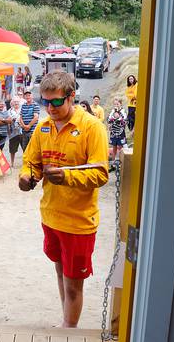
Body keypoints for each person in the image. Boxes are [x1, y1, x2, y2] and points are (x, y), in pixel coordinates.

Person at [18, 70, 108, 328]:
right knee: (60, 274)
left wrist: (66, 177)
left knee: (73, 285)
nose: (50, 108)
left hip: (78, 223)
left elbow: (101, 173)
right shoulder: (43, 126)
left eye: (56, 101)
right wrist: (27, 178)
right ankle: (67, 323)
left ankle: (69, 330)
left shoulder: (92, 127)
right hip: (51, 216)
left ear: (71, 97)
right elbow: (31, 162)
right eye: (45, 102)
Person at [108, 97, 127, 164]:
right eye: (115, 104)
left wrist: (118, 118)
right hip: (113, 132)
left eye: (117, 104)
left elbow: (124, 120)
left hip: (120, 132)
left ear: (121, 104)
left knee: (121, 146)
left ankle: (121, 162)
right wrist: (110, 124)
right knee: (114, 146)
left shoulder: (123, 111)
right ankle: (113, 162)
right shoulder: (112, 111)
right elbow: (109, 119)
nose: (116, 106)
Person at [7, 97, 23, 167]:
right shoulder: (9, 111)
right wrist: (8, 131)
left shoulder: (23, 110)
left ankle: (25, 163)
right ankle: (12, 163)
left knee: (25, 148)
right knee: (12, 149)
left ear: (20, 102)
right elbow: (7, 122)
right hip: (13, 133)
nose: (16, 103)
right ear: (12, 103)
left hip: (22, 132)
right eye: (14, 101)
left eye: (17, 101)